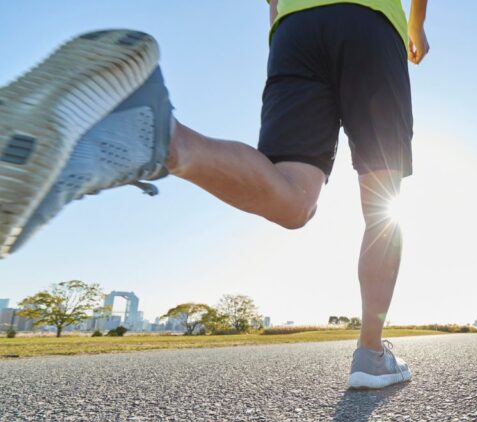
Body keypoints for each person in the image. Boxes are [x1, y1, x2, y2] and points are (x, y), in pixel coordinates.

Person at [0, 0, 429, 389]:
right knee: (382, 206)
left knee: (294, 200)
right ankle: (371, 353)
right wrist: (417, 24)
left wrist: (282, 34)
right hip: (370, 23)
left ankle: (164, 138)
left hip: (294, 30)